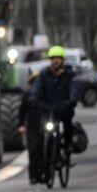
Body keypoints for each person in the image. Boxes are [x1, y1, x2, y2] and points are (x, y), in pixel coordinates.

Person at [26, 45, 79, 183]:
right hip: (48, 109)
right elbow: (36, 88)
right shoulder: (44, 74)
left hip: (64, 108)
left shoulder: (69, 74)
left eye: (58, 58)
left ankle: (67, 147)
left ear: (62, 60)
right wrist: (33, 98)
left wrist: (71, 100)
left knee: (67, 125)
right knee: (44, 132)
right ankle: (46, 159)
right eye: (53, 58)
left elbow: (74, 90)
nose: (55, 61)